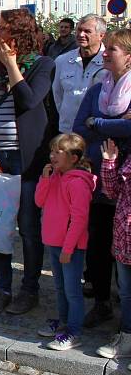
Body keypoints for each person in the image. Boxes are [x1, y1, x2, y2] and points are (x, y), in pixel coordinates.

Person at [0, 8, 54, 316]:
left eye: (3, 29)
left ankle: (29, 289)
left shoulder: (43, 64)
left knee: (29, 230)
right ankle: (2, 288)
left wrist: (11, 65)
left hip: (29, 160)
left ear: (18, 35)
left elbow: (29, 100)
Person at [74, 28, 131, 329]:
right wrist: (113, 125)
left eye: (113, 49)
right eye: (105, 47)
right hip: (97, 178)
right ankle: (102, 302)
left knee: (127, 248)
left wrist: (98, 122)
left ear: (129, 57)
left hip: (127, 184)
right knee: (98, 243)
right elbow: (78, 128)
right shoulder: (98, 90)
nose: (105, 53)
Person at [34, 134, 95, 350]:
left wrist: (68, 249)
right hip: (53, 242)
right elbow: (39, 201)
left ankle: (74, 331)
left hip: (70, 247)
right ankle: (63, 322)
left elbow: (79, 220)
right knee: (60, 288)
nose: (52, 156)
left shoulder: (78, 184)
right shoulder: (55, 177)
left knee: (72, 291)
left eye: (58, 152)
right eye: (52, 151)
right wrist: (45, 179)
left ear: (74, 157)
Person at [97, 139, 131, 361]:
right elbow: (111, 192)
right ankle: (127, 338)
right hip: (123, 238)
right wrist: (109, 163)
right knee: (126, 292)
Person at [53, 14, 108, 134]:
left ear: (101, 36)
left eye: (87, 31)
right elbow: (57, 94)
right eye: (79, 30)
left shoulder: (109, 61)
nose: (81, 35)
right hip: (68, 130)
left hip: (97, 131)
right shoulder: (62, 61)